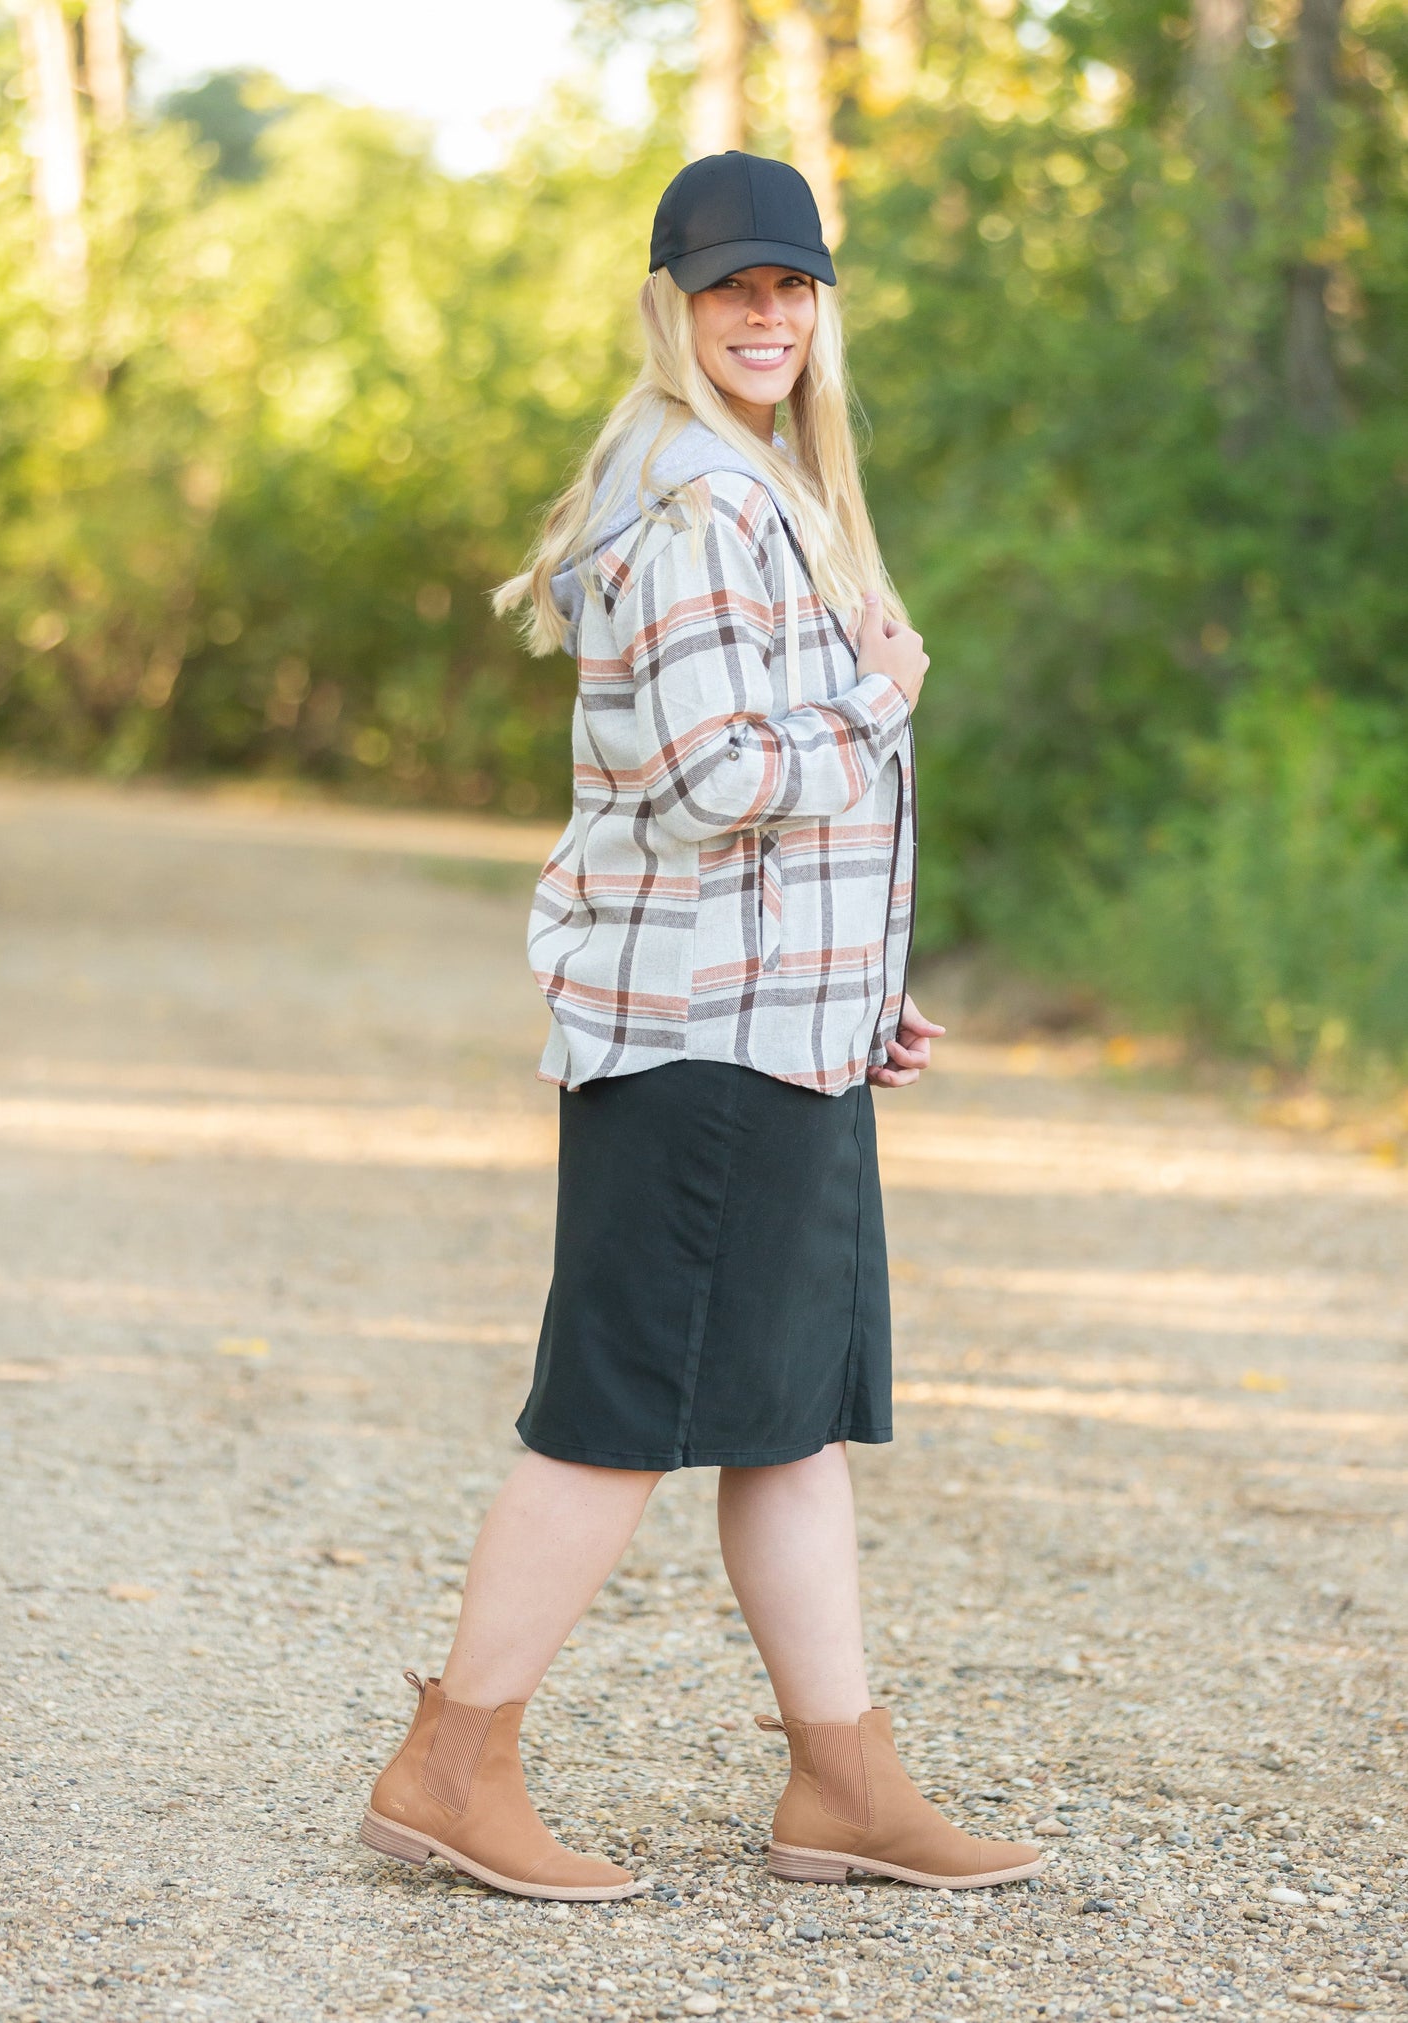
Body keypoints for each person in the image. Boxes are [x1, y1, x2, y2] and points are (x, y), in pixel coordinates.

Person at [359, 151, 1043, 1904]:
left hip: (771, 1030)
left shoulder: (760, 488)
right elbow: (708, 780)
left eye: (792, 286)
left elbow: (744, 811)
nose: (765, 315)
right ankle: (451, 1764)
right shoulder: (696, 506)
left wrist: (856, 995)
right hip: (698, 1047)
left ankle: (843, 1784)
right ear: (670, 305)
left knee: (784, 1416)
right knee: (612, 1415)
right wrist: (880, 699)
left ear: (820, 304)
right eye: (730, 288)